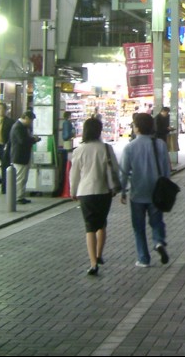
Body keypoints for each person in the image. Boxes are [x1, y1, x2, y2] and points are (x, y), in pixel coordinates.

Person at [69, 117, 121, 276]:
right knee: (102, 224)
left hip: (85, 192)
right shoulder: (106, 148)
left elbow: (74, 174)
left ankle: (92, 263)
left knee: (89, 227)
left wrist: (73, 191)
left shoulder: (79, 150)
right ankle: (99, 255)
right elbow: (115, 169)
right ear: (99, 131)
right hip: (104, 191)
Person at [119, 113, 171, 267]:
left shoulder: (129, 147)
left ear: (137, 128)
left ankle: (143, 258)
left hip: (137, 193)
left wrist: (122, 191)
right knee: (157, 222)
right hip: (156, 192)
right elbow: (166, 169)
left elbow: (123, 172)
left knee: (138, 227)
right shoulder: (160, 144)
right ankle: (159, 242)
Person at [9, 111, 41, 204]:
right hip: (19, 157)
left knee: (23, 178)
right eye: (30, 120)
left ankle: (21, 195)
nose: (31, 123)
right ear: (26, 118)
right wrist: (34, 139)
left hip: (23, 156)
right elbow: (22, 141)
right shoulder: (18, 127)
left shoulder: (23, 127)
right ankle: (18, 197)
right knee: (20, 178)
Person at [56, 111, 76, 196]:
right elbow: (67, 135)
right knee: (69, 161)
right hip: (68, 143)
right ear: (69, 116)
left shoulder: (65, 123)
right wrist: (73, 132)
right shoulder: (67, 123)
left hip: (66, 143)